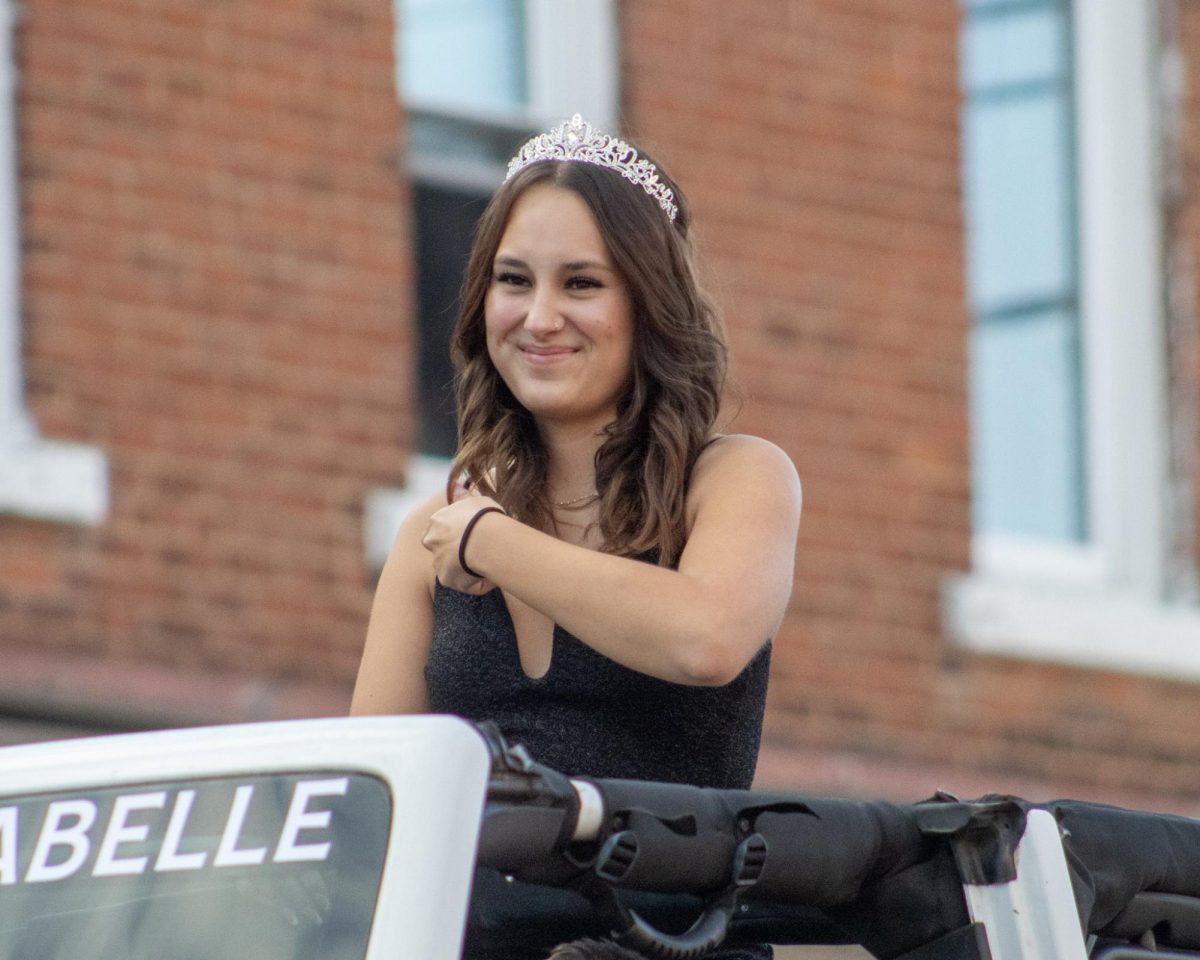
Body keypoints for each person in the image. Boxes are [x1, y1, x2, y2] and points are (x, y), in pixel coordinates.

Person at [352, 115, 801, 958]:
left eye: (583, 284)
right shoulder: (429, 532)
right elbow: (371, 799)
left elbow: (706, 639)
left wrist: (492, 543)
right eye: (513, 280)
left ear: (649, 304)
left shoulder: (737, 478)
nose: (540, 316)